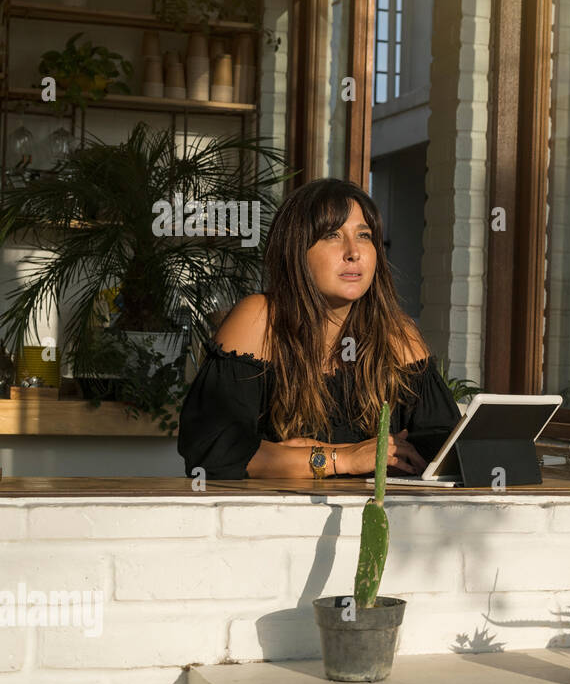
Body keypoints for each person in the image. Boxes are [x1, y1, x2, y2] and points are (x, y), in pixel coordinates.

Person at [177, 178, 461, 479]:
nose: (353, 252)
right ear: (296, 250)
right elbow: (211, 454)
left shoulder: (396, 334)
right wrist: (344, 458)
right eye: (331, 235)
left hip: (377, 519)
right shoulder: (260, 319)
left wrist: (293, 455)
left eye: (364, 236)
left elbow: (446, 451)